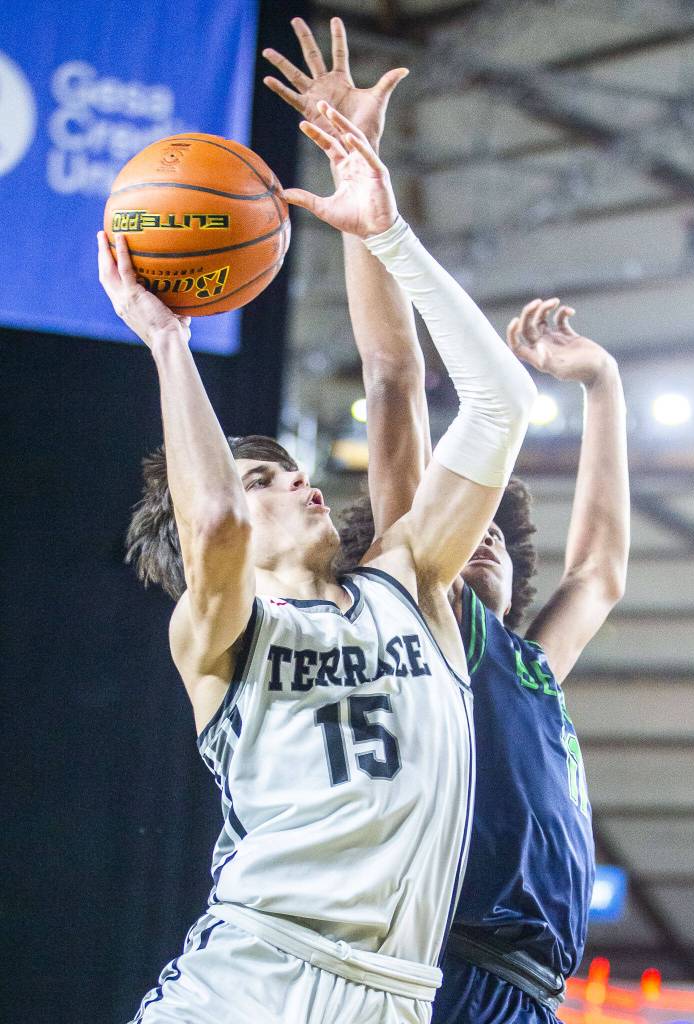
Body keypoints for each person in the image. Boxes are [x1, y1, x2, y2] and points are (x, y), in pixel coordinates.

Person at [98, 80, 536, 1024]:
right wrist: (169, 344)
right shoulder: (216, 636)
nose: (297, 482)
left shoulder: (410, 583)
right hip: (248, 979)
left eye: (291, 469)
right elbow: (209, 522)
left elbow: (501, 404)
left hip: (396, 998)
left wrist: (385, 233)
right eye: (262, 481)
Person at [264, 18, 630, 1024]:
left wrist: (602, 386)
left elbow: (598, 572)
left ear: (516, 578)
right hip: (423, 970)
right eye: (450, 526)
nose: (471, 541)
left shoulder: (526, 665)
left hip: (530, 994)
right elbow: (392, 379)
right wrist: (360, 182)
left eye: (495, 545)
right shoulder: (416, 615)